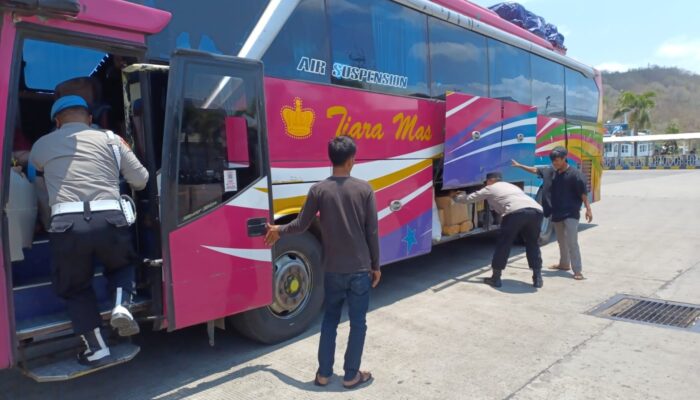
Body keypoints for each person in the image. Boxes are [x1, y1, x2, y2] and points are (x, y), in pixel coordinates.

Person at [29, 95, 149, 367]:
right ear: (90, 119)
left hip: (67, 224)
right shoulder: (111, 140)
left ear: (57, 122)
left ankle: (97, 349)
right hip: (110, 218)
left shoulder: (42, 145)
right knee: (122, 265)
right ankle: (121, 305)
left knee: (74, 287)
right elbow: (141, 180)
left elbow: (35, 175)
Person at [265, 136, 380, 390]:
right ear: (351, 160)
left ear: (332, 159)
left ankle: (323, 374)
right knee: (358, 322)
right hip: (360, 269)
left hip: (332, 269)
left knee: (330, 320)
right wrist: (376, 266)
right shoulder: (364, 189)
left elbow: (301, 224)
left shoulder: (318, 189)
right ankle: (351, 375)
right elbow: (372, 231)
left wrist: (277, 229)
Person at [511, 146, 592, 280]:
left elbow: (583, 194)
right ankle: (564, 264)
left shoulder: (576, 175)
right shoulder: (550, 171)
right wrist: (520, 166)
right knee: (561, 241)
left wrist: (588, 209)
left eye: (558, 160)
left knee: (572, 242)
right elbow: (535, 170)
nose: (555, 163)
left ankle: (577, 270)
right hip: (556, 212)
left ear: (564, 159)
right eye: (554, 161)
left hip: (571, 212)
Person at [454, 172, 544, 288]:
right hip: (536, 211)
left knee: (504, 244)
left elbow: (470, 198)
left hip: (515, 212)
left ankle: (495, 278)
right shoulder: (511, 186)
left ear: (490, 180)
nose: (486, 184)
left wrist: (455, 197)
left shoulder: (490, 188)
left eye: (486, 182)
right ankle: (537, 278)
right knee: (533, 244)